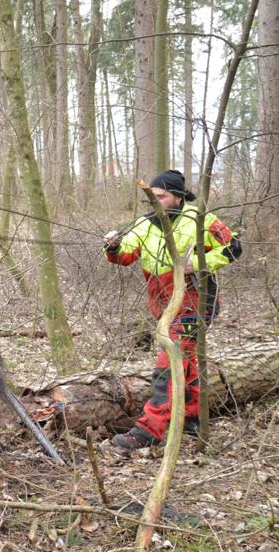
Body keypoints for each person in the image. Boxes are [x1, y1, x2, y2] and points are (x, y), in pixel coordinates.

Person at [103, 170, 242, 450]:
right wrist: (113, 247)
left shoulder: (199, 219)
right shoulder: (143, 224)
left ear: (178, 198)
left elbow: (234, 247)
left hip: (196, 302)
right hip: (163, 303)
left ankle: (149, 429)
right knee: (184, 358)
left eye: (162, 196)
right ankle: (191, 417)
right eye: (152, 197)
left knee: (171, 360)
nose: (156, 201)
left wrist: (200, 263)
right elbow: (125, 256)